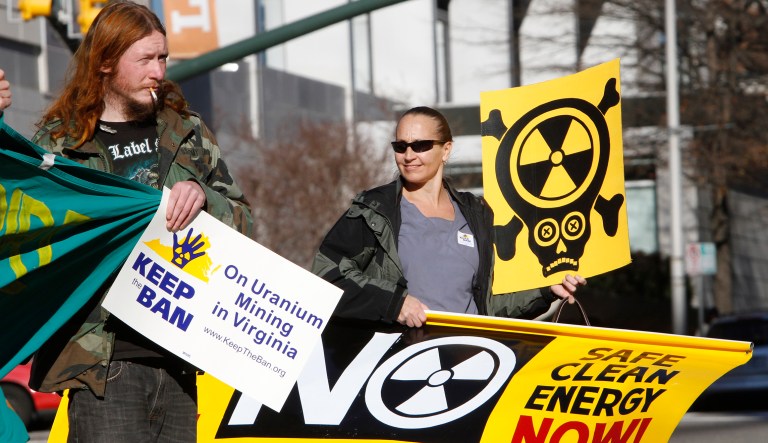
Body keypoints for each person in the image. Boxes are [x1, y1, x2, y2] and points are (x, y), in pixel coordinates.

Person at [19, 2, 252, 442]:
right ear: (106, 62)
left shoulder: (187, 130)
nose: (158, 72)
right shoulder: (61, 143)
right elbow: (29, 233)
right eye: (145, 59)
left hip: (178, 357)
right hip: (100, 363)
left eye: (162, 57)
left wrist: (206, 199)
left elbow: (242, 217)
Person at [312, 106, 585, 328]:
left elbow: (489, 303)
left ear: (446, 150)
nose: (408, 155)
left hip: (472, 364)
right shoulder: (374, 210)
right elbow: (327, 276)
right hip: (398, 367)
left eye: (420, 145)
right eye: (400, 146)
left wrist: (544, 289)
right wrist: (392, 304)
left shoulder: (477, 213)